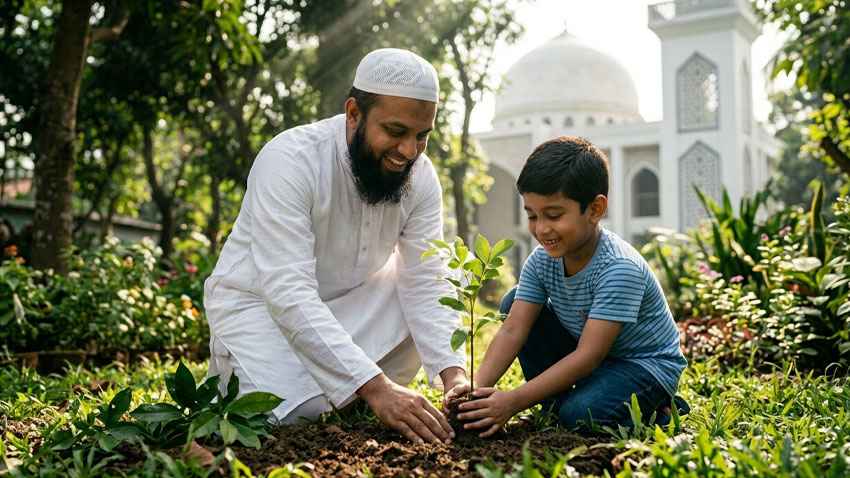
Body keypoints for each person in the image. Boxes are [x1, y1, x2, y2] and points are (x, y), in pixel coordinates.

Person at [204, 48, 468, 444]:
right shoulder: (290, 160)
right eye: (395, 132)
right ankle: (343, 391)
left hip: (352, 307)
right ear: (353, 113)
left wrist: (455, 377)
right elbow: (287, 291)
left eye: (421, 136)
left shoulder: (421, 177)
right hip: (260, 311)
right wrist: (376, 387)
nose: (408, 151)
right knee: (304, 413)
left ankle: (350, 389)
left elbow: (427, 278)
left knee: (441, 275)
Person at [446, 136, 688, 436]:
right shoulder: (542, 260)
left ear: (595, 209)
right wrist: (476, 388)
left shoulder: (619, 268)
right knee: (513, 302)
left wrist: (513, 401)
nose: (541, 229)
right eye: (532, 215)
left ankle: (661, 409)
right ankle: (562, 405)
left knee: (580, 415)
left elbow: (589, 356)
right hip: (594, 359)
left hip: (642, 366)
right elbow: (513, 330)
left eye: (554, 215)